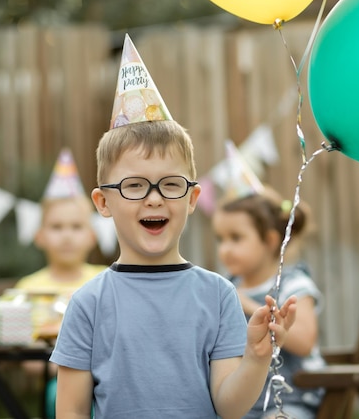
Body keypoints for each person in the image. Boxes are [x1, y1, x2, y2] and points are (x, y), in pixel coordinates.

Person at [49, 34, 297, 419]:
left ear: (193, 198)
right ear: (103, 202)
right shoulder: (88, 304)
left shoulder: (218, 296)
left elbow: (229, 407)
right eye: (133, 186)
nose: (153, 198)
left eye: (170, 184)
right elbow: (71, 412)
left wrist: (256, 358)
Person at [212, 186, 325, 419]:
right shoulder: (227, 286)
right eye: (220, 239)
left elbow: (305, 342)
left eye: (236, 238)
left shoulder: (293, 285)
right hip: (242, 401)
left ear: (271, 240)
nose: (225, 249)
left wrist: (251, 307)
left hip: (290, 398)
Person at [13, 148, 106, 419]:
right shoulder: (28, 289)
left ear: (91, 236)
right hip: (58, 381)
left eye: (76, 227)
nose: (67, 236)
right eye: (57, 227)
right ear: (40, 235)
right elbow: (23, 357)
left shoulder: (106, 279)